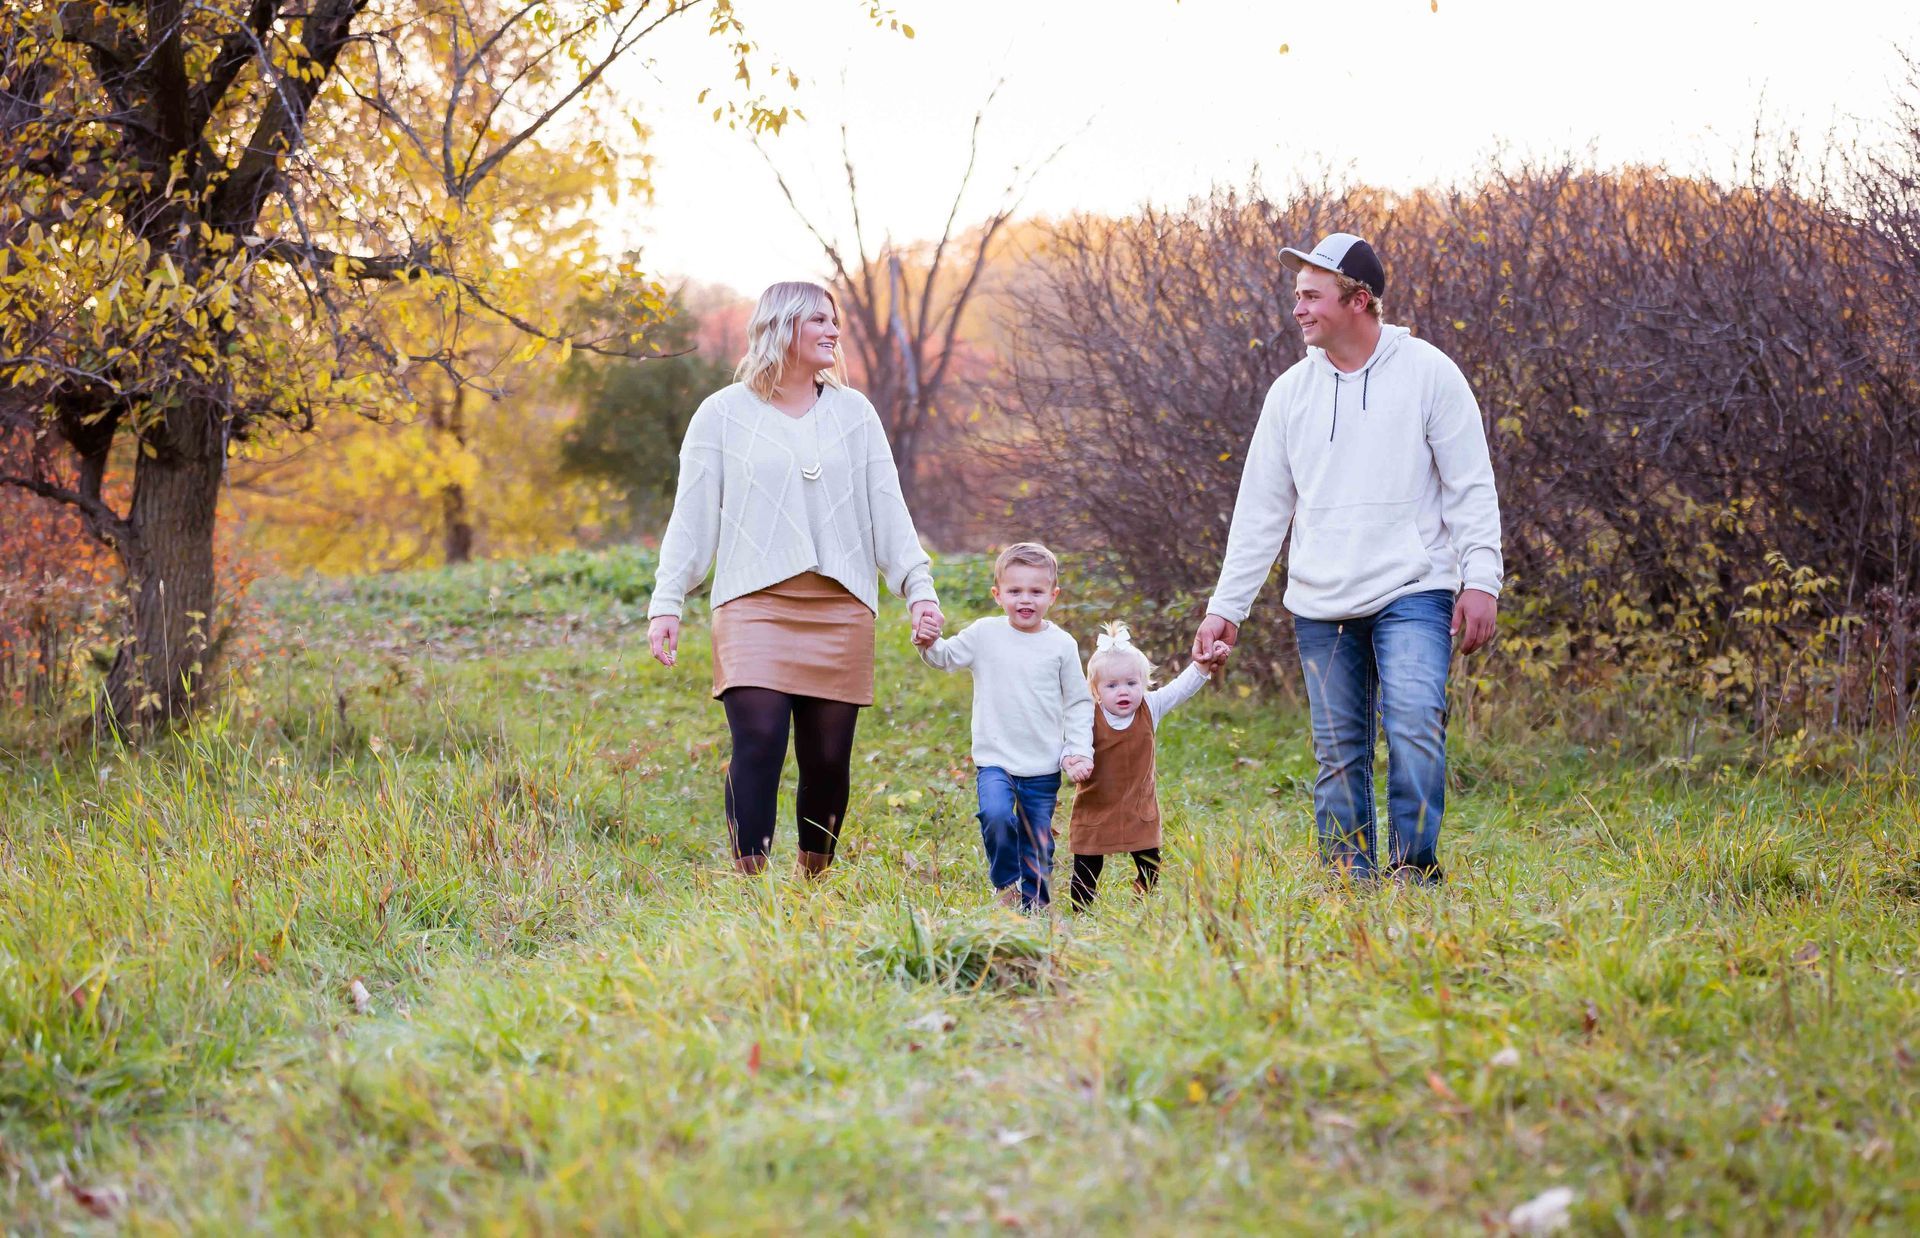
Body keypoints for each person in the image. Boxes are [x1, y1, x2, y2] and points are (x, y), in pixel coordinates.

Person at [1191, 233, 1503, 885]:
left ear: (1358, 300)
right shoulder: (1289, 395)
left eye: (1311, 296)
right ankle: (1348, 881)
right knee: (1339, 754)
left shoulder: (1428, 374)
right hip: (1320, 600)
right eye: (1296, 297)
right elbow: (1261, 511)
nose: (1298, 309)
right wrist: (1227, 607)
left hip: (1414, 589)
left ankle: (1414, 870)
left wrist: (1482, 579)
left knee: (1417, 725)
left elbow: (1470, 484)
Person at [646, 281, 944, 876]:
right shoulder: (721, 414)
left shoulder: (855, 413)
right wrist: (668, 599)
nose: (833, 330)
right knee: (757, 742)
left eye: (833, 320)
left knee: (828, 759)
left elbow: (887, 507)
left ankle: (813, 884)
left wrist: (918, 589)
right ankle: (750, 887)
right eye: (818, 320)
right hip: (753, 604)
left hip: (840, 607)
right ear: (781, 327)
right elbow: (693, 514)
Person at [918, 542, 1094, 910]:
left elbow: (1078, 702)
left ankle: (1035, 906)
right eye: (1015, 591)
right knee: (996, 816)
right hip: (995, 758)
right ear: (998, 595)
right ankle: (1006, 884)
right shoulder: (985, 634)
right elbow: (946, 657)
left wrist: (1077, 749)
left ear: (1053, 595)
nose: (1024, 600)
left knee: (1038, 839)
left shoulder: (1061, 645)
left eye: (1036, 591)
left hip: (1043, 763)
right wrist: (929, 643)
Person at [1066, 623, 1228, 910]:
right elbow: (1068, 743)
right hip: (1096, 805)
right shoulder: (1087, 716)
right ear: (1096, 691)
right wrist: (1072, 762)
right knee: (1087, 864)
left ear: (1144, 683)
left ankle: (1142, 901)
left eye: (1131, 683)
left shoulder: (1149, 708)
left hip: (1138, 806)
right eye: (1112, 685)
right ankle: (1081, 910)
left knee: (1149, 860)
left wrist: (1201, 667)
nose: (1123, 691)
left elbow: (1180, 689)